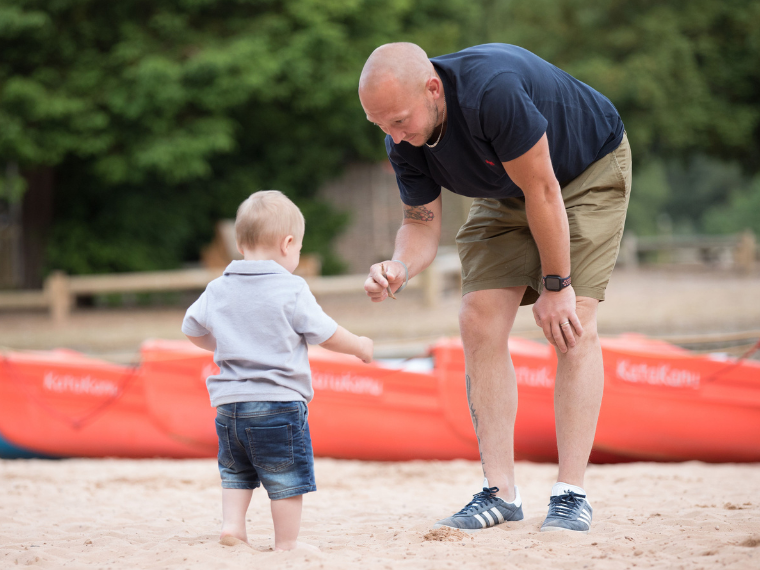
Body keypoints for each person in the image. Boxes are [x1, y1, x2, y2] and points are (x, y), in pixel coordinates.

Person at [359, 42, 631, 534]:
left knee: (571, 322)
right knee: (477, 317)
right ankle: (500, 493)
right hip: (508, 183)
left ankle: (571, 494)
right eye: (381, 126)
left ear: (433, 89)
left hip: (583, 171)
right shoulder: (403, 138)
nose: (394, 137)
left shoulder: (491, 92)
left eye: (398, 121)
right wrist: (399, 266)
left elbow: (545, 191)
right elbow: (420, 223)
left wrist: (557, 286)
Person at [182, 190, 374, 550]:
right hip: (278, 405)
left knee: (236, 472)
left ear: (240, 243)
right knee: (286, 477)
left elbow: (191, 328)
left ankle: (233, 526)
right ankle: (287, 543)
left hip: (229, 407)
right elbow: (326, 333)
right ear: (288, 244)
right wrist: (360, 346)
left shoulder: (218, 287)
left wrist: (224, 345)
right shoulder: (291, 287)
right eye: (299, 248)